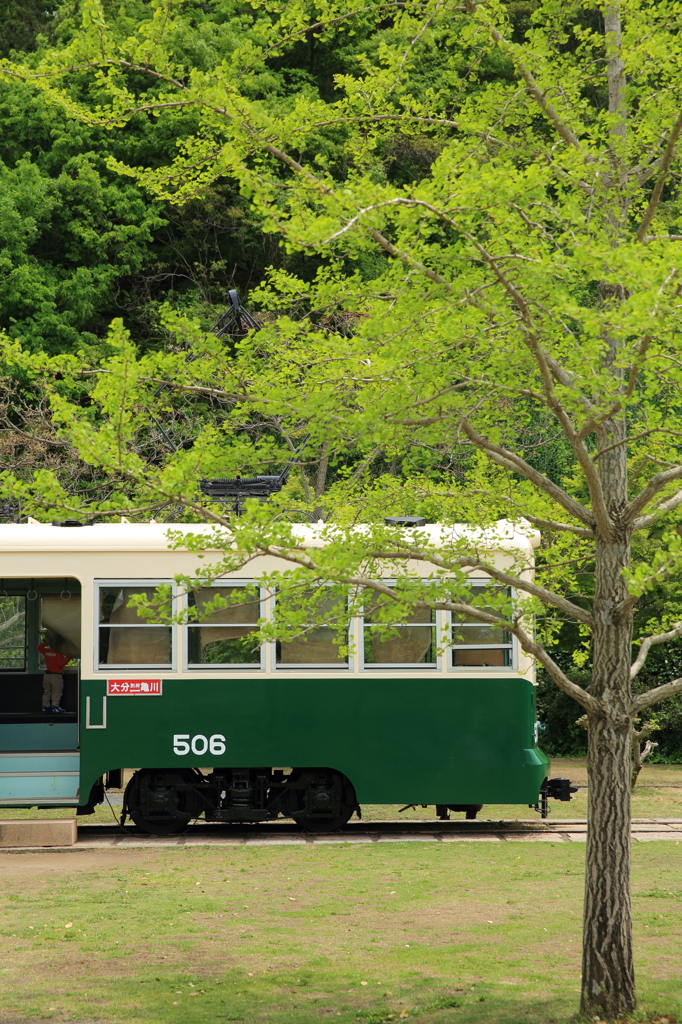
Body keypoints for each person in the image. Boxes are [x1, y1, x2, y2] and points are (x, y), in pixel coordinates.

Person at [37, 632, 72, 713]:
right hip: (56, 675)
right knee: (57, 691)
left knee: (47, 692)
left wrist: (45, 643)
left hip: (47, 675)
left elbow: (39, 647)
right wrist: (68, 657)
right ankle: (55, 706)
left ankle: (45, 706)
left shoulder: (47, 652)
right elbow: (61, 664)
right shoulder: (58, 654)